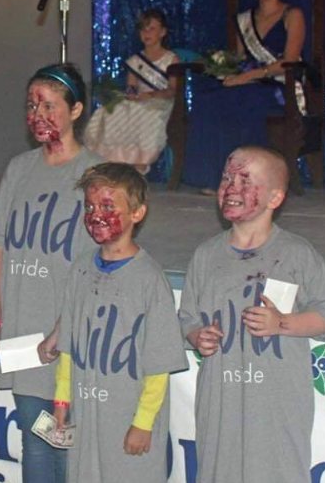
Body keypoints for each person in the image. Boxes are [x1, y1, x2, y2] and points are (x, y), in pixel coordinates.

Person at [0, 63, 104, 483]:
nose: (38, 113)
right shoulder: (19, 169)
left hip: (71, 336)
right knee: (37, 440)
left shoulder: (96, 175)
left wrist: (66, 327)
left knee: (69, 444)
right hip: (25, 336)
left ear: (76, 110)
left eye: (49, 104)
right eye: (31, 105)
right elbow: (0, 245)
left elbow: (100, 262)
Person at [178, 146, 325, 483]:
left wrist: (282, 323)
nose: (231, 188)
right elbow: (187, 318)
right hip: (220, 404)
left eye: (245, 180)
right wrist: (197, 336)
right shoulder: (206, 255)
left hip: (276, 407)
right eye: (226, 178)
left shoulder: (297, 254)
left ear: (274, 198)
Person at [52, 162, 188, 483]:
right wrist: (62, 400)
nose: (96, 213)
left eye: (108, 206)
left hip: (128, 419)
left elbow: (158, 365)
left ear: (137, 213)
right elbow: (69, 347)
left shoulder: (149, 280)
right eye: (90, 206)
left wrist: (142, 423)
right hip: (86, 417)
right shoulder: (81, 269)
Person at [184, 0, 307, 193]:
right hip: (249, 81)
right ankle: (212, 177)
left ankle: (248, 179)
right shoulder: (244, 19)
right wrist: (225, 71)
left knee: (242, 100)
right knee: (208, 98)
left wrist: (248, 77)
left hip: (279, 85)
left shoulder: (292, 14)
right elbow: (240, 58)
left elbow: (289, 60)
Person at [83, 9, 179, 174]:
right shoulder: (135, 60)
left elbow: (173, 89)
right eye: (143, 29)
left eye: (152, 29)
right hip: (139, 100)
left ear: (163, 32)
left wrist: (152, 95)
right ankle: (110, 159)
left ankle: (140, 162)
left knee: (147, 113)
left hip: (161, 101)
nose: (146, 33)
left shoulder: (171, 59)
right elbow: (131, 86)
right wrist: (132, 94)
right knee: (111, 111)